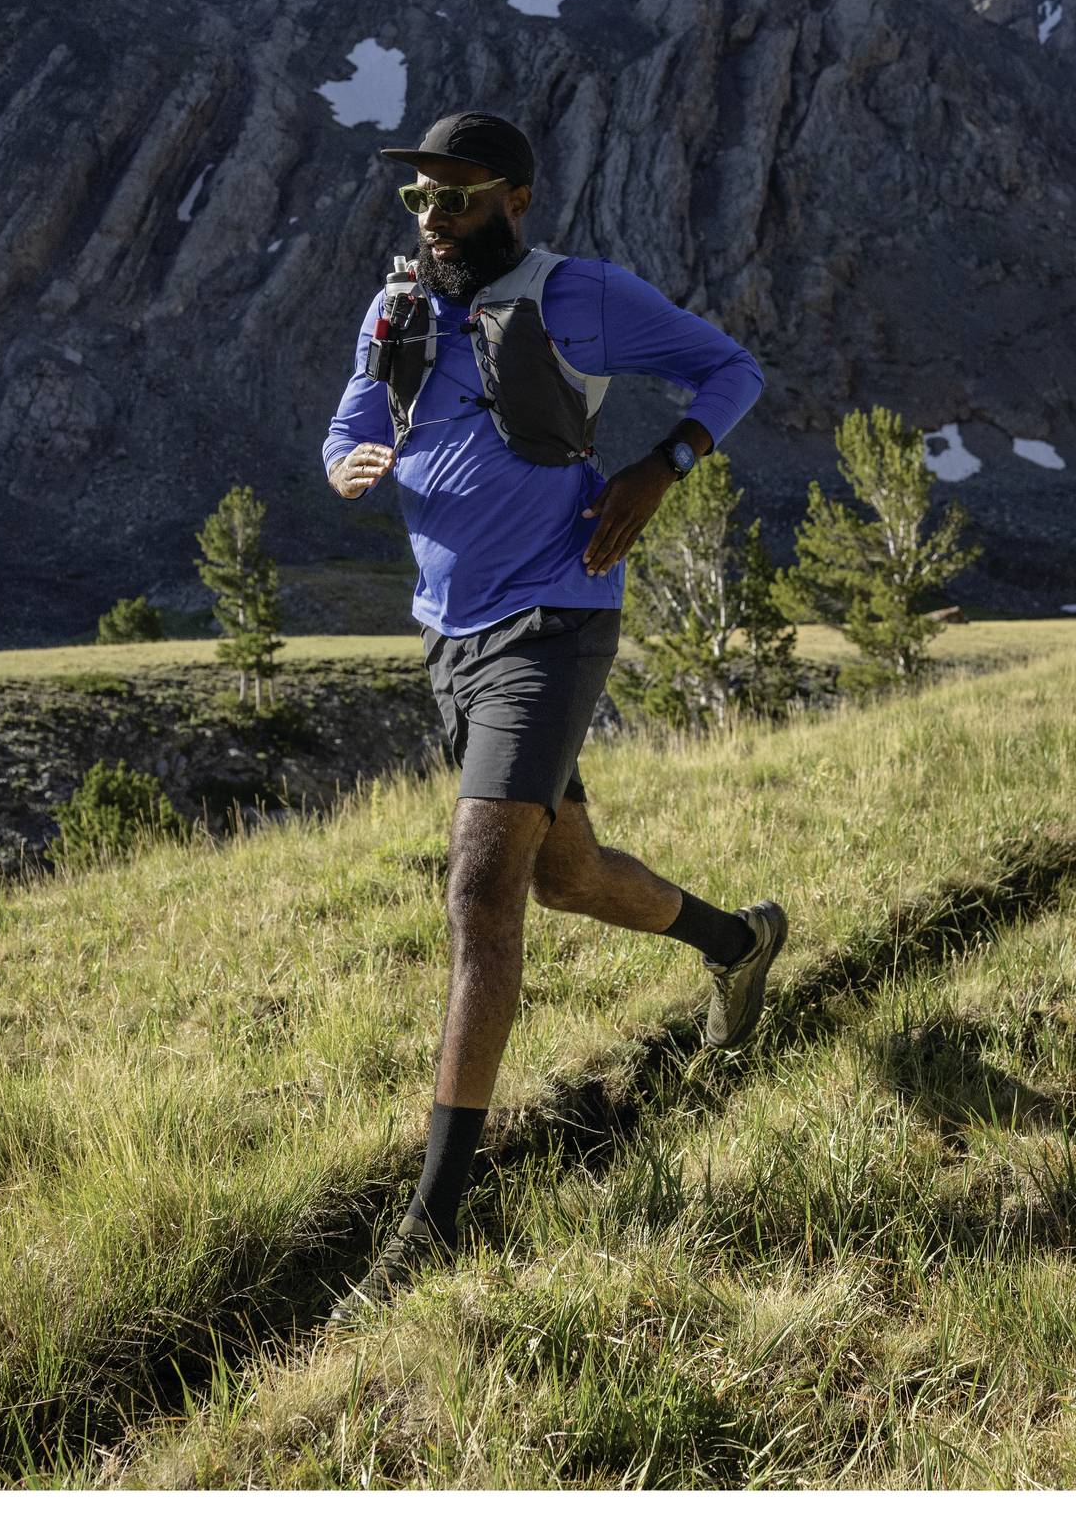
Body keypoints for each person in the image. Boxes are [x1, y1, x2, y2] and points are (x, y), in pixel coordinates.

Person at [320, 108, 784, 1316]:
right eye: (419, 198)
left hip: (554, 618)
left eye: (457, 197)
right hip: (450, 635)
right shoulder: (396, 311)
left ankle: (430, 1222)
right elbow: (353, 422)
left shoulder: (581, 296)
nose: (433, 218)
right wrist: (346, 464)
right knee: (566, 873)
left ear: (515, 198)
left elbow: (733, 371)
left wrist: (660, 465)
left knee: (481, 888)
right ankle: (740, 945)